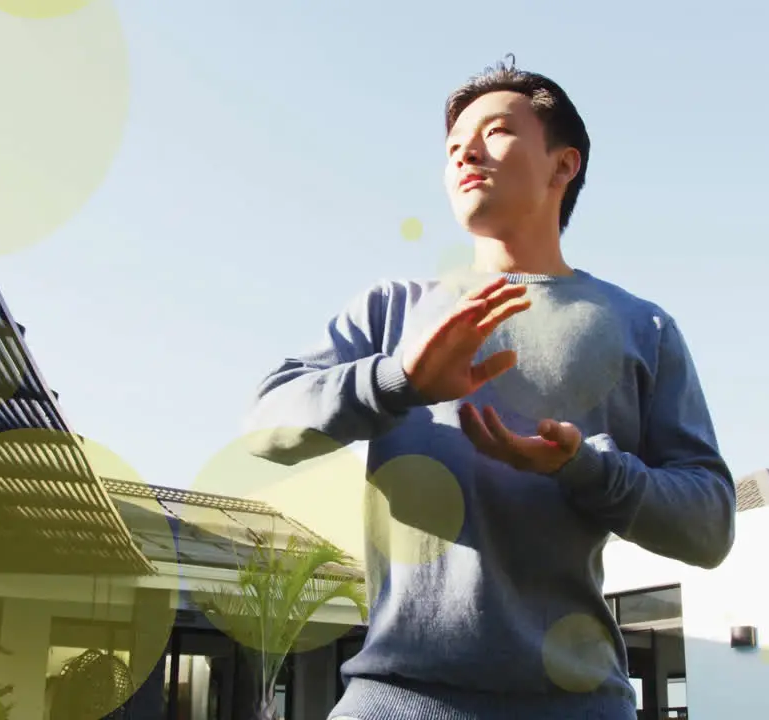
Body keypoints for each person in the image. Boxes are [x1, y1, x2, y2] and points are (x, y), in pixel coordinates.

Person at [242, 57, 736, 720]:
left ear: (565, 165)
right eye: (451, 147)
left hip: (579, 703)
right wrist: (399, 381)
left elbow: (710, 527)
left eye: (497, 131)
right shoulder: (391, 311)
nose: (465, 153)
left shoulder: (640, 327)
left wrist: (585, 469)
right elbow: (265, 431)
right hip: (395, 698)